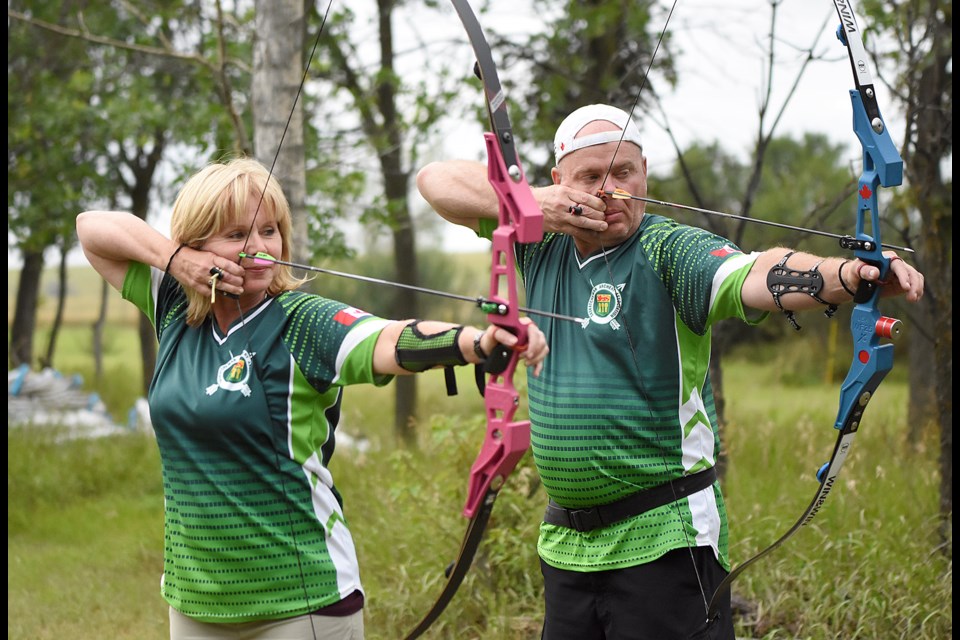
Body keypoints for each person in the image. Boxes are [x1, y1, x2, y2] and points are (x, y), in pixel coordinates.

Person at [416, 103, 925, 640]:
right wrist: (534, 204)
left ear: (644, 174)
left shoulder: (668, 249)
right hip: (566, 547)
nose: (610, 189)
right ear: (558, 182)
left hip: (665, 540)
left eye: (623, 172)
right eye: (590, 176)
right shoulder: (539, 244)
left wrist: (846, 274)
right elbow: (436, 181)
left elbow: (751, 272)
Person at [75, 157, 548, 640]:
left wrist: (478, 342)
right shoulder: (173, 306)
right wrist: (172, 260)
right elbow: (92, 228)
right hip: (195, 602)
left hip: (301, 604)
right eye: (237, 235)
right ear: (196, 245)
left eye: (269, 231)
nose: (260, 248)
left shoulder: (302, 322)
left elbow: (388, 340)